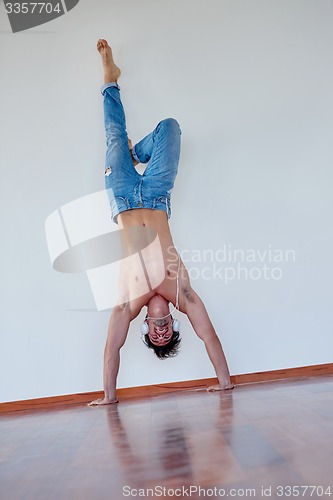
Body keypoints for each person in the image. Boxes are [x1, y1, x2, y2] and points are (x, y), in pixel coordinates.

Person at [88, 39, 234, 406]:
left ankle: (110, 79)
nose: (161, 329)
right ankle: (140, 152)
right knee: (170, 127)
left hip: (121, 197)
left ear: (147, 327)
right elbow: (210, 336)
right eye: (166, 332)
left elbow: (111, 350)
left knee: (113, 137)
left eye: (156, 334)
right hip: (155, 194)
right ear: (172, 321)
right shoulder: (182, 294)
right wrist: (225, 383)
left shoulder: (126, 304)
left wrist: (109, 397)